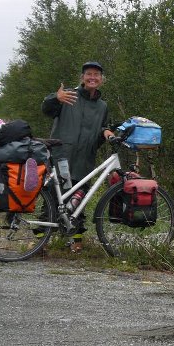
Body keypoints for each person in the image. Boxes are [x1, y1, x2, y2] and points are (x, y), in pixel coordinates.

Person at [42, 61, 116, 253]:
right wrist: (55, 99)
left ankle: (76, 240)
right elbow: (47, 110)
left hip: (85, 157)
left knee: (80, 198)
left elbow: (102, 128)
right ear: (82, 77)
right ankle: (42, 240)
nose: (92, 77)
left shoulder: (102, 106)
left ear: (101, 79)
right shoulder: (69, 95)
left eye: (96, 75)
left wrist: (106, 133)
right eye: (88, 74)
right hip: (62, 154)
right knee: (52, 197)